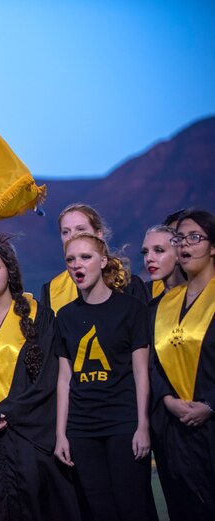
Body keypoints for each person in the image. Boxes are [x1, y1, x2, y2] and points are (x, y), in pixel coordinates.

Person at [0, 236, 80, 521]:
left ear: (9, 270)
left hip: (29, 440)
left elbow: (48, 380)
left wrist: (7, 413)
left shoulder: (39, 317)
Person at [54, 232, 158, 521]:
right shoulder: (64, 316)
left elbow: (141, 372)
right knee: (100, 511)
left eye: (85, 257)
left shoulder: (131, 309)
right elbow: (64, 379)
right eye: (71, 259)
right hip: (82, 429)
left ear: (102, 261)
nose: (78, 265)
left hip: (123, 424)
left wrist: (143, 425)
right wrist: (61, 434)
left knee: (133, 507)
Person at [149, 209, 215, 520]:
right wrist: (167, 400)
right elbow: (154, 365)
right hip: (173, 431)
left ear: (212, 246)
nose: (186, 245)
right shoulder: (160, 307)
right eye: (180, 238)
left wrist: (210, 405)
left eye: (195, 238)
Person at [40, 203, 150, 313]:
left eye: (80, 229)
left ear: (98, 234)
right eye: (65, 232)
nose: (72, 237)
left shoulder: (130, 284)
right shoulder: (51, 291)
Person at [141, 225, 186, 300]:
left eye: (158, 250)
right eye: (145, 252)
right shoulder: (151, 306)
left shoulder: (203, 296)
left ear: (179, 254)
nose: (149, 258)